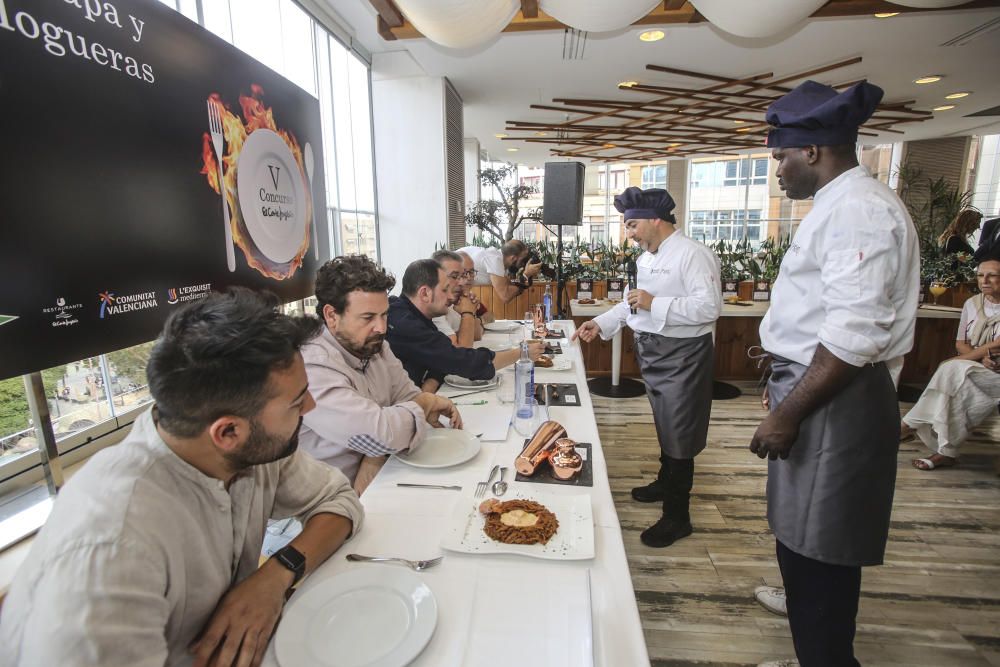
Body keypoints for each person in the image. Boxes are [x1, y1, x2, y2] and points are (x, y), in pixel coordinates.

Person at [0, 288, 364, 667]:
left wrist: (276, 573)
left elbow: (339, 499)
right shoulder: (111, 548)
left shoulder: (246, 446)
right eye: (296, 401)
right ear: (226, 433)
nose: (311, 406)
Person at [750, 80, 920, 667]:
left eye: (780, 156)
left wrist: (789, 410)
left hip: (836, 402)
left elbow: (853, 336)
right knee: (799, 543)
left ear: (814, 152)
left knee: (821, 555)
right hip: (816, 389)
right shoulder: (837, 206)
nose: (778, 169)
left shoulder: (859, 212)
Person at [572, 186, 721, 549]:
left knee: (680, 432)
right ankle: (664, 480)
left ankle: (677, 515)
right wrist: (602, 322)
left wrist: (657, 302)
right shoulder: (646, 258)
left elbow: (709, 308)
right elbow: (632, 304)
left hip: (683, 356)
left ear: (656, 220)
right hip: (653, 353)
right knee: (665, 424)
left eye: (633, 225)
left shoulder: (694, 255)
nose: (630, 234)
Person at [298, 255, 463, 493]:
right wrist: (425, 402)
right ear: (332, 315)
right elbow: (380, 434)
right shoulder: (312, 366)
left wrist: (374, 455)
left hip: (383, 477)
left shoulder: (375, 345)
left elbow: (406, 395)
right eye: (368, 318)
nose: (382, 328)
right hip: (323, 505)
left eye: (384, 315)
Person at [387, 258, 543, 392]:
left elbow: (442, 359)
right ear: (425, 293)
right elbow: (462, 360)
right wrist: (521, 353)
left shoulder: (417, 316)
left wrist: (429, 387)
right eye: (445, 289)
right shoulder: (404, 323)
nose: (451, 294)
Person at [902, 257, 1000, 470]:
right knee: (961, 384)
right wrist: (979, 357)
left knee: (952, 369)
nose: (985, 280)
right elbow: (960, 343)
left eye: (992, 275)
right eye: (981, 275)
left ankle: (909, 423)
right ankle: (945, 452)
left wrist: (968, 359)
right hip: (973, 367)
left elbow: (998, 345)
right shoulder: (971, 304)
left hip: (995, 374)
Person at [458, 239, 542, 304]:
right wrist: (526, 275)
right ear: (513, 258)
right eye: (523, 260)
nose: (523, 264)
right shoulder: (495, 259)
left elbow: (512, 287)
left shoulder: (497, 259)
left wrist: (526, 278)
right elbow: (505, 296)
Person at [431, 249, 484, 347]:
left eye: (471, 272)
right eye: (455, 276)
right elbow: (462, 353)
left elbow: (477, 335)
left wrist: (471, 310)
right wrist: (467, 313)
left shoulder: (459, 300)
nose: (465, 280)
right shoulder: (436, 306)